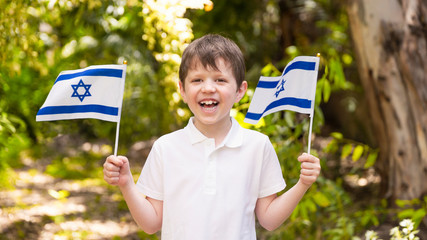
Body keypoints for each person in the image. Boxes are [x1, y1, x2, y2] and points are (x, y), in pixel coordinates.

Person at [103, 34, 321, 239]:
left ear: (240, 91)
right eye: (197, 80)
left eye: (220, 80)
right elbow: (151, 224)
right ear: (182, 89)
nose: (208, 88)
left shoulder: (257, 146)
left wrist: (303, 183)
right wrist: (126, 184)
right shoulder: (166, 147)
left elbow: (269, 220)